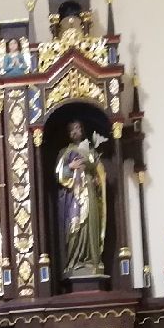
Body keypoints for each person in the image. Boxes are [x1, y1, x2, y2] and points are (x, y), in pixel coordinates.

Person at [55, 119, 107, 278]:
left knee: (90, 224)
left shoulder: (91, 151)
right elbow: (58, 175)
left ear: (82, 130)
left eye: (77, 128)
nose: (75, 132)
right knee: (74, 226)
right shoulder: (64, 152)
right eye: (71, 129)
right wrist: (70, 167)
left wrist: (97, 178)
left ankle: (92, 260)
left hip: (89, 192)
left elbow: (100, 173)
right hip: (74, 195)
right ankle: (74, 261)